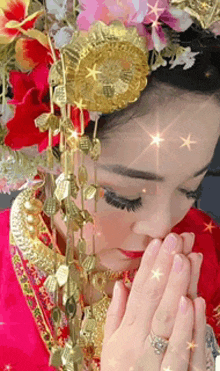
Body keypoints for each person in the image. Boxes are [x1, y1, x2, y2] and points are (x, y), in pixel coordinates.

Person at [0, 0, 220, 370]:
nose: (162, 228)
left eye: (190, 189)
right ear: (50, 154)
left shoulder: (208, 248)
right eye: (126, 197)